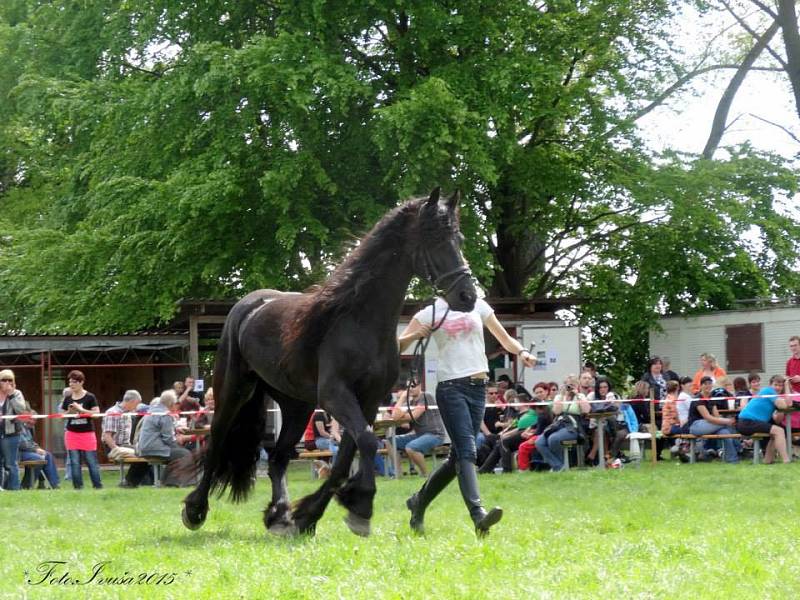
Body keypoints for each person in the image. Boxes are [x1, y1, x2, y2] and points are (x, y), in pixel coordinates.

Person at [399, 295, 536, 536]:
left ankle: (418, 502)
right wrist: (414, 335)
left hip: (479, 387)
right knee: (467, 452)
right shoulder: (431, 312)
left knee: (457, 458)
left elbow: (504, 339)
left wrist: (522, 351)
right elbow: (396, 346)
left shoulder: (478, 304)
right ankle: (478, 515)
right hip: (451, 387)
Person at [535, 375, 590, 472]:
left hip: (572, 426)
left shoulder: (580, 396)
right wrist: (562, 396)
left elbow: (587, 410)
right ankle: (559, 466)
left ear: (577, 385)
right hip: (558, 424)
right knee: (539, 442)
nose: (570, 387)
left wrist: (576, 395)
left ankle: (560, 467)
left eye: (572, 385)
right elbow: (556, 412)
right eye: (568, 385)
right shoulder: (559, 396)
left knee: (553, 439)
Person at [390, 382, 446, 477]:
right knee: (390, 441)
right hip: (419, 435)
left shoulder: (426, 396)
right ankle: (398, 474)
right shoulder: (411, 402)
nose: (410, 389)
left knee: (411, 447)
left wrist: (403, 415)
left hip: (435, 435)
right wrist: (402, 399)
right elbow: (395, 416)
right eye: (408, 387)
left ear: (420, 386)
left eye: (413, 386)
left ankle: (426, 474)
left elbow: (414, 416)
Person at [136, 389, 191, 487]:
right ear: (170, 403)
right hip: (155, 448)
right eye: (175, 403)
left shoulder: (153, 410)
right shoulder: (165, 415)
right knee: (184, 453)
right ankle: (171, 482)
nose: (176, 405)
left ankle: (165, 481)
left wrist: (175, 428)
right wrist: (177, 444)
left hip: (143, 447)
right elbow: (168, 439)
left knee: (177, 452)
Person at [61, 370, 103, 489]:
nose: (71, 384)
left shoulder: (90, 397)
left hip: (87, 434)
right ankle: (78, 488)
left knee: (91, 462)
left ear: (81, 382)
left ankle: (97, 486)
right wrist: (69, 411)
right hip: (71, 434)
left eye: (74, 382)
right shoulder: (68, 398)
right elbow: (61, 417)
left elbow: (96, 414)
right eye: (70, 382)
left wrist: (81, 409)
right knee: (74, 462)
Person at [102, 390, 151, 487]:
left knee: (148, 452)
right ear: (131, 401)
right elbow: (107, 436)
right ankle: (130, 483)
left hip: (126, 445)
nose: (137, 407)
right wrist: (117, 450)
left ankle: (133, 482)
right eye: (136, 404)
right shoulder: (113, 412)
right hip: (114, 446)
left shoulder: (129, 412)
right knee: (142, 456)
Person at [737, 375, 790, 464]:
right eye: (776, 385)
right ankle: (786, 460)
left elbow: (777, 420)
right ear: (770, 385)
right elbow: (783, 405)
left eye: (781, 385)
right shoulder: (768, 390)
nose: (778, 387)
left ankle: (767, 460)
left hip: (751, 422)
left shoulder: (774, 396)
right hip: (746, 422)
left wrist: (786, 390)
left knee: (779, 431)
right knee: (779, 431)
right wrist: (784, 401)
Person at [687, 376, 738, 464]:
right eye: (705, 384)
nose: (708, 386)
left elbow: (716, 416)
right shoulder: (698, 398)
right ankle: (740, 447)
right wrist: (728, 421)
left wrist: (725, 421)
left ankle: (732, 460)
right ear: (701, 386)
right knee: (727, 424)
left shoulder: (711, 398)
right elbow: (708, 417)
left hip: (711, 425)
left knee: (725, 433)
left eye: (710, 384)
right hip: (696, 425)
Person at [18, 408, 60, 489]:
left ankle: (54, 484)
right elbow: (21, 444)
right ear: (25, 416)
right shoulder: (19, 426)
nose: (33, 422)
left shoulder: (29, 428)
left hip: (27, 451)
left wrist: (38, 448)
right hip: (18, 452)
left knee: (47, 455)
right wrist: (35, 450)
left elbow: (31, 442)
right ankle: (27, 485)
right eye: (31, 419)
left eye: (35, 420)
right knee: (38, 458)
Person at [0, 369, 28, 490]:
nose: (7, 382)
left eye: (10, 380)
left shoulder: (17, 393)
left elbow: (21, 410)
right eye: (4, 380)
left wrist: (10, 395)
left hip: (11, 434)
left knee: (11, 464)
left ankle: (14, 488)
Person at [785, 336, 800, 433]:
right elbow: (787, 376)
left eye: (795, 345)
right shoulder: (789, 362)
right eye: (791, 346)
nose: (793, 348)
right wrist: (787, 379)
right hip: (794, 397)